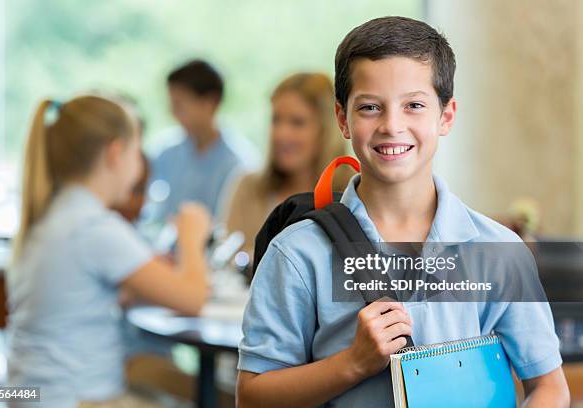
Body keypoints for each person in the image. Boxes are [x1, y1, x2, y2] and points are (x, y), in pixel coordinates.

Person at [236, 17, 569, 407]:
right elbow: (252, 397)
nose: (392, 126)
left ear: (446, 116)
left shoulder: (499, 251)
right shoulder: (297, 253)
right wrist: (353, 363)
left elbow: (549, 387)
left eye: (414, 105)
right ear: (342, 119)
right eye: (370, 108)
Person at [6, 95, 211, 407]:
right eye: (137, 151)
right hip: (78, 399)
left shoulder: (57, 215)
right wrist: (191, 238)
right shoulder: (94, 227)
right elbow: (194, 299)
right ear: (116, 153)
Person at [224, 72, 352, 256]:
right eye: (276, 120)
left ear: (326, 129)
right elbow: (227, 263)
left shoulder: (355, 193)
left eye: (297, 122)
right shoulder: (248, 186)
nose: (281, 134)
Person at [144, 59, 257, 223]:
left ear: (210, 103)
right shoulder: (166, 151)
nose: (172, 112)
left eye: (179, 104)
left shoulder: (240, 163)